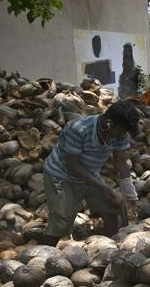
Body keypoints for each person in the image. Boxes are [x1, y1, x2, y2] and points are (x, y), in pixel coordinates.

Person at [42, 99, 143, 244]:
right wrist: (103, 188)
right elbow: (72, 165)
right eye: (121, 131)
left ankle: (108, 249)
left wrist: (130, 196)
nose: (121, 135)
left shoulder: (120, 133)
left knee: (112, 209)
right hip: (61, 175)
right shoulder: (78, 129)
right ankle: (44, 252)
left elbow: (120, 163)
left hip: (90, 174)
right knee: (62, 220)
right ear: (108, 122)